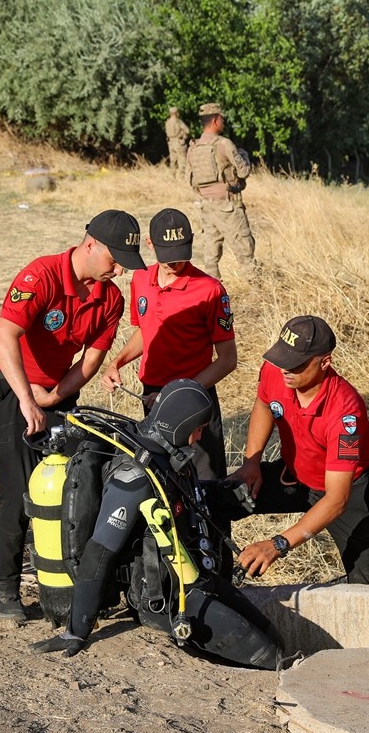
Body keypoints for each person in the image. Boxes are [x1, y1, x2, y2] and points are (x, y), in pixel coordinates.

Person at [30, 380, 281, 668]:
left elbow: (182, 499)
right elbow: (99, 553)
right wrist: (77, 630)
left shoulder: (167, 455)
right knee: (269, 655)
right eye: (198, 428)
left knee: (272, 635)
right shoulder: (135, 477)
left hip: (193, 579)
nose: (200, 436)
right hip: (162, 599)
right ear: (179, 424)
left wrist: (227, 495)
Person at [0, 209, 142, 623]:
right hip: (8, 389)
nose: (120, 271)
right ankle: (6, 587)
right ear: (91, 245)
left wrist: (53, 397)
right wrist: (27, 399)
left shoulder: (111, 299)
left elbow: (91, 360)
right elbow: (4, 336)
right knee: (20, 488)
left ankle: (72, 584)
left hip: (55, 393)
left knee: (76, 483)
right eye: (115, 260)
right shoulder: (42, 276)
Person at [216, 315, 369, 585]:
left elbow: (336, 499)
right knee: (214, 499)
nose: (286, 369)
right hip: (294, 475)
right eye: (282, 358)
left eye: (296, 363)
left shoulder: (345, 413)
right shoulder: (276, 371)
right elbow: (264, 403)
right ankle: (215, 579)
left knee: (367, 581)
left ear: (324, 362)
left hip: (347, 490)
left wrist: (277, 544)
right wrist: (251, 462)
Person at [101, 207, 237, 480]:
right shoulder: (141, 279)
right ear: (150, 244)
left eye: (180, 253)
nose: (174, 262)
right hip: (152, 397)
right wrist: (117, 362)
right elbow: (147, 330)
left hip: (195, 397)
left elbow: (227, 360)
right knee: (163, 479)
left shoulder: (210, 290)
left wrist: (178, 395)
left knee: (206, 483)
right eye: (167, 255)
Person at [186, 103, 254, 279]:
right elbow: (243, 171)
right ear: (215, 120)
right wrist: (244, 156)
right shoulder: (224, 144)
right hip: (228, 206)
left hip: (206, 207)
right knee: (245, 252)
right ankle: (257, 288)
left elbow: (190, 180)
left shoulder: (193, 148)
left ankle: (212, 289)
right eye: (222, 119)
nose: (223, 122)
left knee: (211, 256)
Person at [164, 107, 189, 177]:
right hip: (178, 142)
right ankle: (182, 176)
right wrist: (184, 136)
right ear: (176, 113)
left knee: (173, 161)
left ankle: (172, 176)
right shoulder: (178, 122)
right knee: (182, 160)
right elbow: (187, 130)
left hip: (170, 143)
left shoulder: (167, 122)